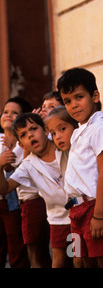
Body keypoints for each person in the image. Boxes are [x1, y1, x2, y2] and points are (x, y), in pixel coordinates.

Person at [57, 68, 103, 268]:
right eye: (67, 101)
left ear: (95, 96)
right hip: (76, 211)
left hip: (95, 208)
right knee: (78, 259)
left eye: (79, 97)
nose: (73, 105)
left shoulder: (100, 128)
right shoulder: (78, 131)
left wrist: (99, 214)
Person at [0, 112, 74, 268]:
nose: (30, 135)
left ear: (46, 131)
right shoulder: (27, 164)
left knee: (78, 258)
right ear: (21, 145)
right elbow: (5, 188)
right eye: (24, 135)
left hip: (78, 214)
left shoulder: (63, 146)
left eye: (34, 129)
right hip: (58, 219)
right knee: (59, 260)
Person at [45, 107, 83, 267]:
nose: (57, 136)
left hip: (85, 210)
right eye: (53, 133)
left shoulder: (82, 150)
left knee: (80, 258)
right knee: (69, 256)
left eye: (62, 129)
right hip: (67, 215)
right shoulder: (59, 151)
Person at [0, 97, 31, 268]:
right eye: (5, 112)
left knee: (17, 248)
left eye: (14, 113)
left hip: (15, 203)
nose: (8, 115)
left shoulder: (24, 143)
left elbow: (16, 171)